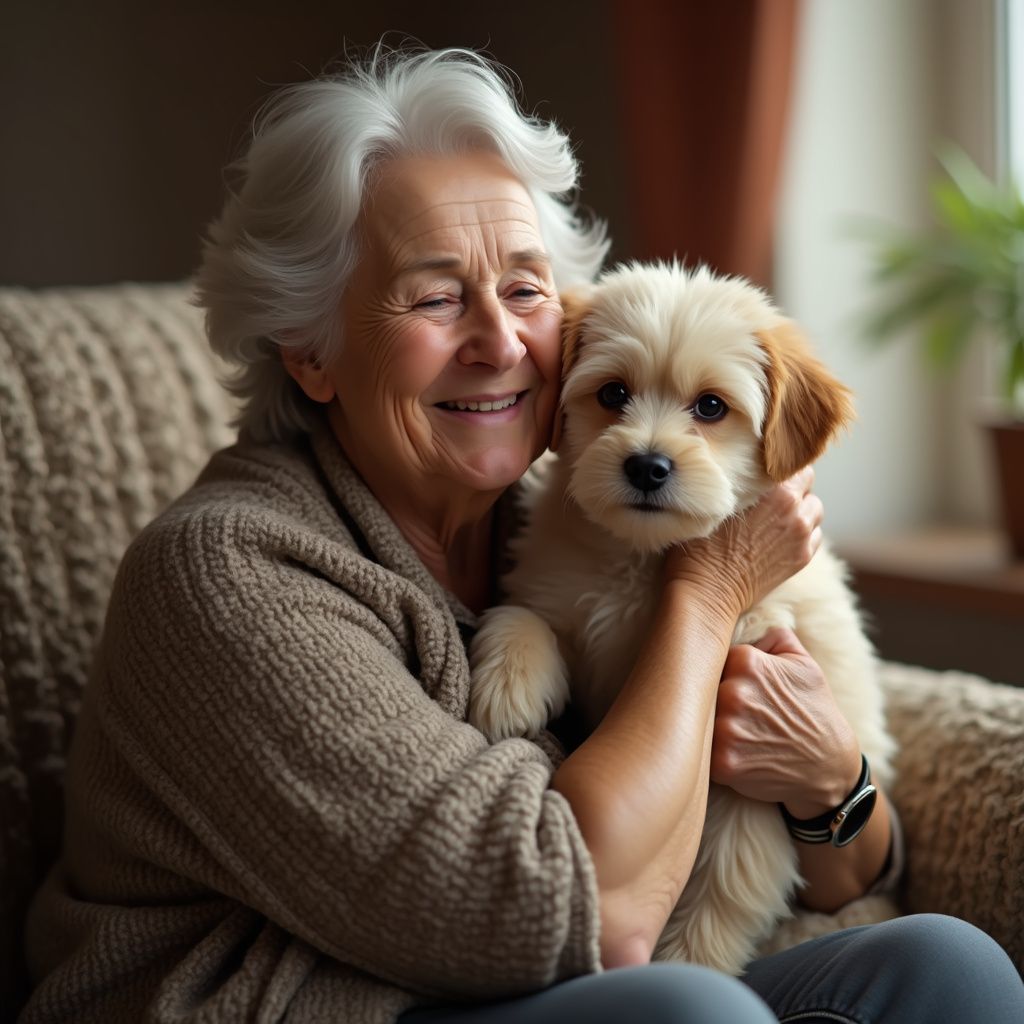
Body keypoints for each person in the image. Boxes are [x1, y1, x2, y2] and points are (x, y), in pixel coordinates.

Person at [19, 47, 1024, 1024]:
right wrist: (708, 594)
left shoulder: (563, 513)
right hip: (313, 997)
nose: (499, 343)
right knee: (682, 1008)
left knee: (944, 969)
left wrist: (829, 779)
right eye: (436, 293)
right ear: (311, 351)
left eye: (526, 287)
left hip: (559, 963)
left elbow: (854, 858)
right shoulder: (231, 575)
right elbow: (589, 919)